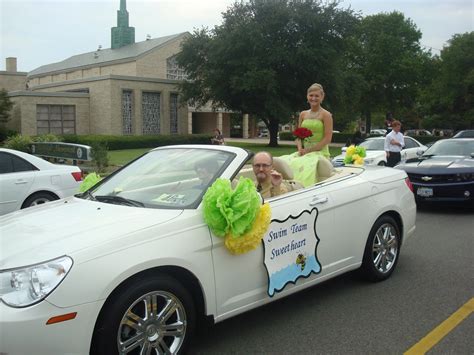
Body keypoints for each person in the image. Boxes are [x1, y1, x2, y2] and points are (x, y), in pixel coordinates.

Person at [279, 83, 333, 187]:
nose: (313, 98)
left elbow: (327, 138)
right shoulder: (303, 114)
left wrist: (309, 150)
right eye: (311, 95)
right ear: (307, 97)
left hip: (319, 151)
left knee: (305, 164)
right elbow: (298, 135)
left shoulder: (326, 115)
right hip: (304, 151)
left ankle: (304, 187)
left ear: (322, 97)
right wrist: (300, 149)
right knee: (284, 161)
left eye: (317, 96)